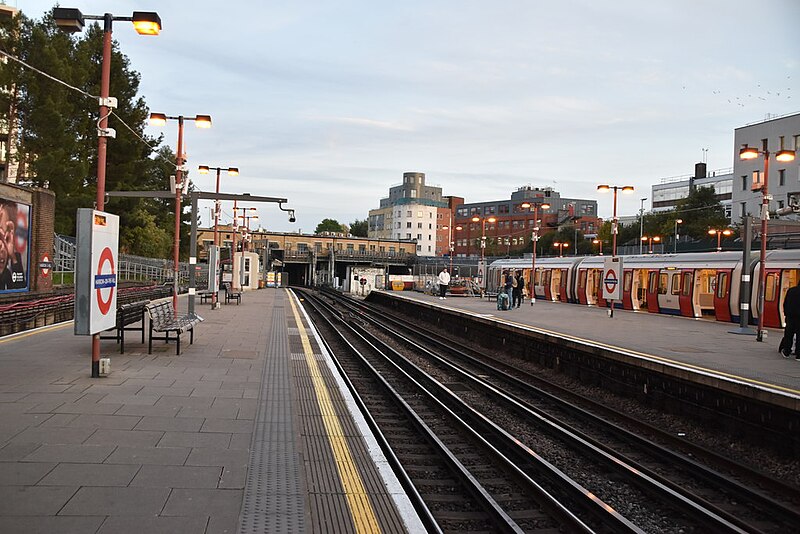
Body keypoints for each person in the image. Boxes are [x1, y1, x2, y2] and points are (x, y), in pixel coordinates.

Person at [0, 200, 26, 291]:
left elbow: (19, 289)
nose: (2, 246)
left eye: (6, 239)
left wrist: (13, 257)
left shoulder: (6, 274)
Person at [780, 281, 800, 360]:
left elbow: (785, 303)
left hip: (790, 317)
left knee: (789, 335)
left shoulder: (791, 291)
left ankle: (786, 351)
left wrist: (786, 314)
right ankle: (799, 355)